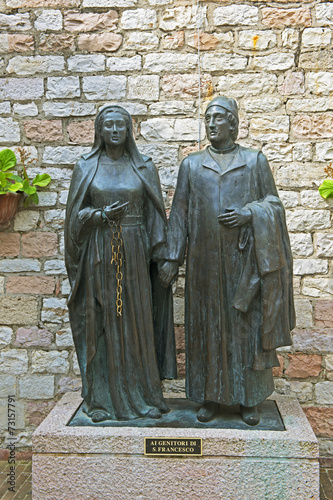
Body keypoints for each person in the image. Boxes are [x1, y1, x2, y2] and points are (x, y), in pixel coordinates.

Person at [159, 96, 295, 426]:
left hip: (244, 263)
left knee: (244, 328)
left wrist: (250, 213)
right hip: (203, 264)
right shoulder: (191, 164)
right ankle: (210, 396)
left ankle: (248, 397)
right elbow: (178, 215)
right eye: (207, 118)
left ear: (233, 123)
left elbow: (273, 205)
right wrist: (173, 259)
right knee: (206, 328)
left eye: (218, 118)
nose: (211, 123)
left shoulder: (254, 161)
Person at [65, 105, 176, 422]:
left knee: (137, 324)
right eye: (108, 125)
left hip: (136, 254)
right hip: (100, 252)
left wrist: (164, 257)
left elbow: (156, 215)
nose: (114, 130)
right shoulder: (86, 167)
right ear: (99, 131)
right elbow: (74, 221)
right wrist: (100, 216)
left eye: (121, 125)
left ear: (129, 130)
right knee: (104, 324)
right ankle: (99, 400)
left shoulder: (144, 167)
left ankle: (143, 397)